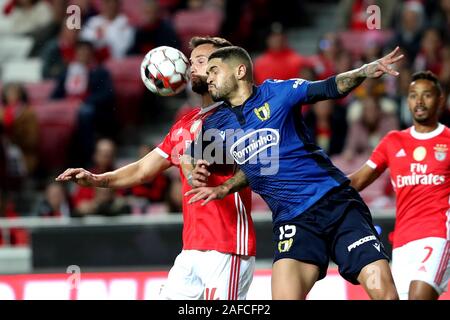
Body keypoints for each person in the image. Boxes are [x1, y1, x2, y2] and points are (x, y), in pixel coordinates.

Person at [185, 45, 404, 299]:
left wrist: (363, 71)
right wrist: (200, 176)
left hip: (336, 204)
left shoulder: (277, 92)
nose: (208, 77)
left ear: (240, 71)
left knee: (385, 295)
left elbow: (330, 87)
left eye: (214, 70)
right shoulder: (216, 124)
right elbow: (193, 157)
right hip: (292, 222)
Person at [55, 37, 256, 300]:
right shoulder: (186, 122)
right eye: (190, 60)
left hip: (227, 245)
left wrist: (193, 164)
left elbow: (252, 163)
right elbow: (142, 170)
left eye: (200, 61)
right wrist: (97, 179)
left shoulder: (241, 115)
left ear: (222, 68)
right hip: (192, 249)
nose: (190, 66)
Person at [348, 71, 450, 300]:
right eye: (413, 95)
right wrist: (316, 187)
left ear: (440, 100)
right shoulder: (393, 141)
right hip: (403, 244)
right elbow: (358, 181)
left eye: (427, 95)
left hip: (438, 235)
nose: (419, 101)